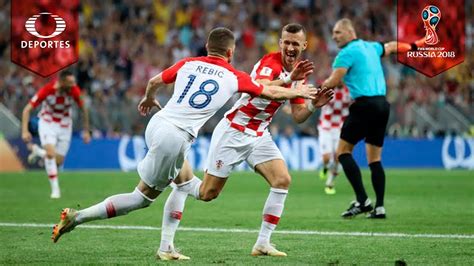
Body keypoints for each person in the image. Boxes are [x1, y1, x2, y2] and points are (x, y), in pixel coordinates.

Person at [51, 27, 319, 260]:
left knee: (181, 182)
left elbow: (154, 82)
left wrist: (147, 99)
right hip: (175, 137)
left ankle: (167, 247)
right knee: (144, 198)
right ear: (231, 52)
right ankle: (78, 217)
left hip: (158, 122)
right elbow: (267, 89)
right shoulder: (233, 76)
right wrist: (296, 88)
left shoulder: (188, 63)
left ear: (207, 48)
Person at [159, 23, 333, 259]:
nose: (290, 47)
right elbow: (258, 88)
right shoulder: (269, 63)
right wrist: (290, 80)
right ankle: (181, 181)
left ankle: (263, 243)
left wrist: (313, 104)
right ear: (280, 43)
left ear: (304, 45)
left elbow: (299, 116)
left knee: (282, 179)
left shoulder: (298, 73)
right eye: (287, 42)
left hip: (259, 133)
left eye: (295, 43)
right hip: (234, 130)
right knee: (208, 193)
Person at [321, 18, 424, 218]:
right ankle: (380, 207)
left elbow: (333, 81)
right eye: (333, 33)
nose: (334, 36)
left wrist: (315, 91)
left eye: (338, 32)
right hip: (382, 105)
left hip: (364, 105)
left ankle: (363, 200)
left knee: (342, 152)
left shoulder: (346, 53)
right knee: (374, 159)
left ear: (350, 32)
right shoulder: (371, 47)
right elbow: (392, 47)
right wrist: (413, 46)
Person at [21, 70, 91, 199]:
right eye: (70, 82)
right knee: (51, 154)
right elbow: (27, 109)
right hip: (48, 123)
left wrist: (86, 131)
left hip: (65, 126)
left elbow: (84, 109)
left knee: (58, 161)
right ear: (62, 81)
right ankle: (55, 190)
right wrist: (25, 130)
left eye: (73, 82)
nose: (73, 85)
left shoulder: (74, 90)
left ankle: (38, 152)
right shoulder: (47, 90)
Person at [317, 85, 351, 195]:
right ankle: (325, 167)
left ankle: (330, 183)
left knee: (338, 157)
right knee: (326, 158)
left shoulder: (349, 90)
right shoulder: (328, 88)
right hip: (325, 127)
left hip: (340, 128)